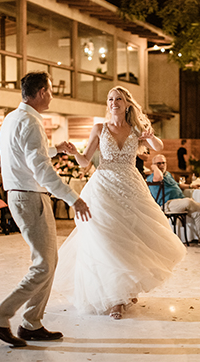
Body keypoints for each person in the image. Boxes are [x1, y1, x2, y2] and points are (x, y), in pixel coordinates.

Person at [55, 84, 185, 322]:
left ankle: (127, 289)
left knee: (132, 238)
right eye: (110, 99)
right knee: (108, 239)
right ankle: (115, 298)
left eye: (118, 99)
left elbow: (158, 147)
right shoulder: (99, 128)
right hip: (103, 186)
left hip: (130, 186)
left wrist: (150, 136)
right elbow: (85, 162)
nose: (114, 102)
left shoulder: (136, 128)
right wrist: (73, 152)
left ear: (127, 104)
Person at [0, 71, 91, 347]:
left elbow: (26, 155)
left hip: (20, 194)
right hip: (30, 196)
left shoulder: (12, 118)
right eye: (51, 90)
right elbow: (40, 169)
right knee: (43, 265)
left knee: (49, 262)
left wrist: (54, 149)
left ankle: (32, 323)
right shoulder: (30, 122)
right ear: (41, 92)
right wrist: (72, 197)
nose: (53, 95)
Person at [147, 154, 200, 243]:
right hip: (167, 204)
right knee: (189, 201)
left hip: (179, 201)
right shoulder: (153, 177)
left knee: (197, 212)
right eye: (159, 163)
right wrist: (155, 168)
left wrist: (190, 186)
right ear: (154, 165)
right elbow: (158, 177)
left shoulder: (168, 174)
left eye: (163, 163)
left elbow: (177, 185)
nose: (162, 165)